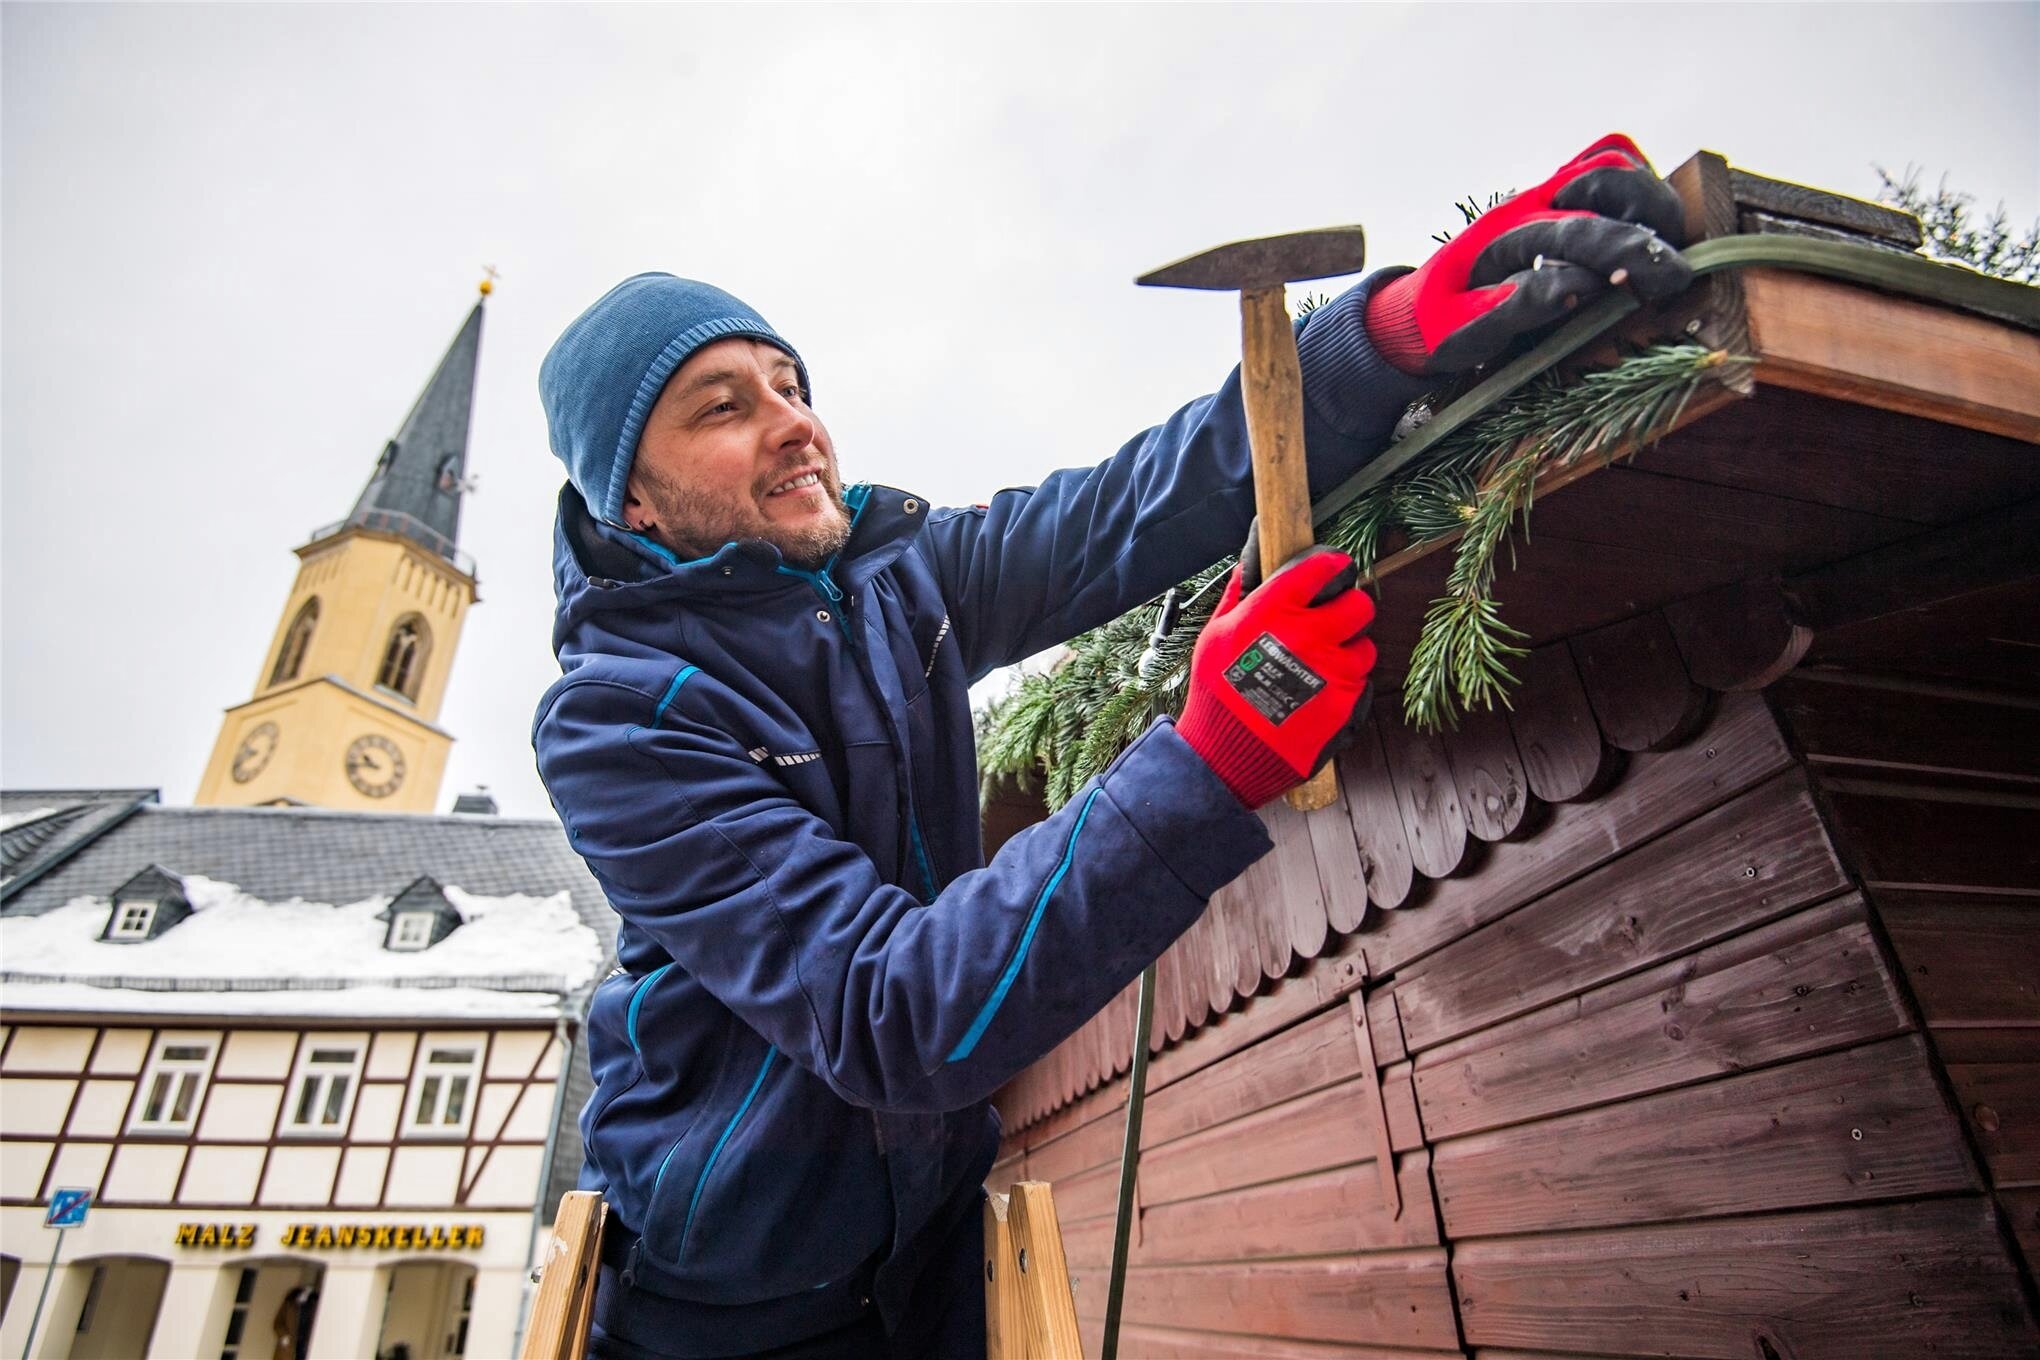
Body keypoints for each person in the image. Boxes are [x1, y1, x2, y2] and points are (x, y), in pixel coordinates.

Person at [534, 135, 1690, 1359]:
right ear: (635, 503)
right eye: (725, 407)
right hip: (725, 1313)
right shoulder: (623, 717)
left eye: (791, 385)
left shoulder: (895, 579)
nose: (794, 426)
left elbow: (1122, 508)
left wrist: (1377, 341)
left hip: (931, 1270)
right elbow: (894, 1011)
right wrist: (1211, 759)